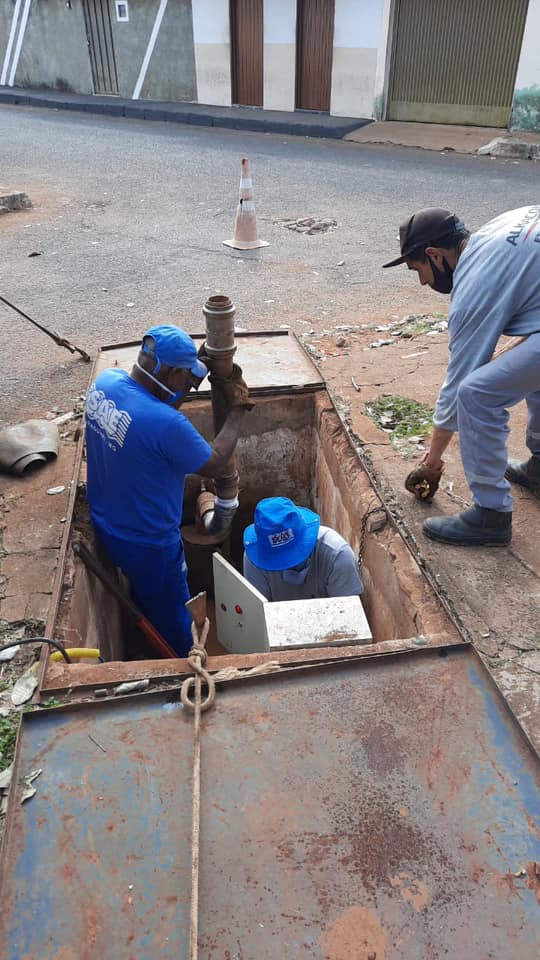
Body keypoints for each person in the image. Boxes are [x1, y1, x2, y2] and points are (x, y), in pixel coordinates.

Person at [85, 323, 252, 655]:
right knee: (175, 614)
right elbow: (216, 462)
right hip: (151, 544)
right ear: (171, 371)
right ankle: (178, 666)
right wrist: (237, 411)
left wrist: (192, 379)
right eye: (184, 377)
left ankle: (145, 620)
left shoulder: (106, 382)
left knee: (143, 593)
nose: (186, 384)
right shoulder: (167, 425)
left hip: (106, 522)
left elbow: (153, 407)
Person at [382, 205, 540, 546]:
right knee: (528, 371)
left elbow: (458, 388)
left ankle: (491, 515)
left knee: (476, 394)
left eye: (418, 269)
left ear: (435, 255)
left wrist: (432, 462)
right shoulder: (497, 230)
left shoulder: (473, 289)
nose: (423, 282)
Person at [243, 497, 363, 600]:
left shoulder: (337, 556)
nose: (288, 564)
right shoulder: (254, 560)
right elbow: (259, 614)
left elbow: (347, 616)